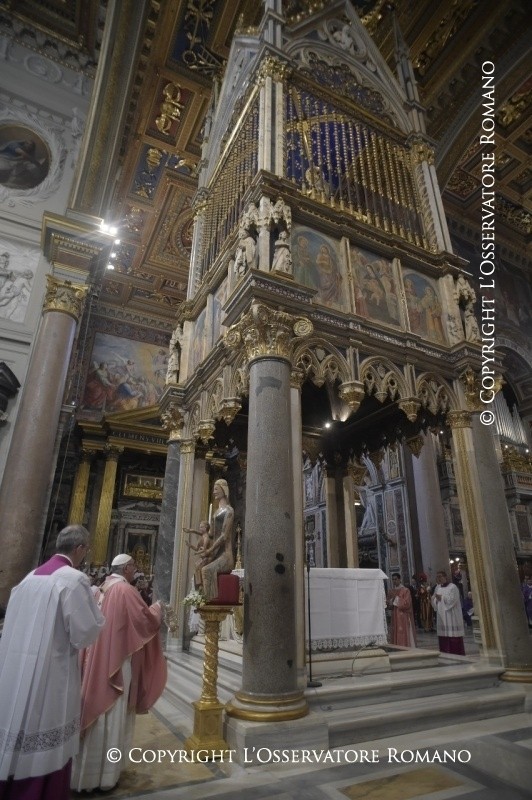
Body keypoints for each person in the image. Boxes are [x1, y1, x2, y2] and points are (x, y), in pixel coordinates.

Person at [0, 524, 105, 800]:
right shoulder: (74, 579)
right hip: (51, 672)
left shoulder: (28, 578)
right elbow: (85, 633)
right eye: (86, 549)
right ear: (79, 548)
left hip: (16, 671)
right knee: (45, 731)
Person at [71, 554, 167, 792]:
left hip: (96, 658)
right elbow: (145, 619)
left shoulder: (101, 588)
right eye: (133, 565)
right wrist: (158, 608)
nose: (135, 569)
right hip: (116, 660)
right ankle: (105, 777)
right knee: (111, 710)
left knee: (96, 710)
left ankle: (86, 776)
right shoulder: (125, 590)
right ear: (125, 568)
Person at [201, 479, 235, 601]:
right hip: (216, 554)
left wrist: (209, 550)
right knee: (199, 566)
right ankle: (200, 599)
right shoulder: (216, 513)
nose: (214, 492)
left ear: (223, 490)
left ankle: (211, 603)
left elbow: (224, 536)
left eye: (216, 489)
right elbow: (211, 535)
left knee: (206, 571)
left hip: (225, 555)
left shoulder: (229, 511)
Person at [431, 569, 465, 655]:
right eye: (437, 577)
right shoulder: (438, 588)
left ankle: (456, 653)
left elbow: (453, 600)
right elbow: (434, 600)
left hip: (451, 615)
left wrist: (442, 598)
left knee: (452, 635)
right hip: (441, 614)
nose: (439, 578)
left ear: (445, 577)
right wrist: (435, 600)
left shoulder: (453, 587)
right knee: (443, 635)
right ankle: (444, 652)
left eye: (440, 576)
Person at [387, 573, 416, 647]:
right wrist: (390, 601)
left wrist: (396, 599)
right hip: (394, 615)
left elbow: (407, 604)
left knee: (402, 631)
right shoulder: (391, 591)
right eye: (393, 579)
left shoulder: (405, 590)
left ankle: (404, 645)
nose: (394, 581)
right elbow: (389, 605)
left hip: (403, 616)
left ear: (400, 579)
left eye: (396, 579)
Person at [184, 520, 215, 589]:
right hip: (203, 557)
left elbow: (204, 550)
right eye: (200, 527)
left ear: (205, 527)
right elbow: (196, 548)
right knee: (196, 565)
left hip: (208, 557)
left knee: (199, 566)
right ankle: (198, 585)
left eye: (201, 527)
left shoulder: (206, 537)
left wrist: (197, 553)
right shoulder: (202, 535)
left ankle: (201, 585)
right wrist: (190, 545)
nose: (200, 528)